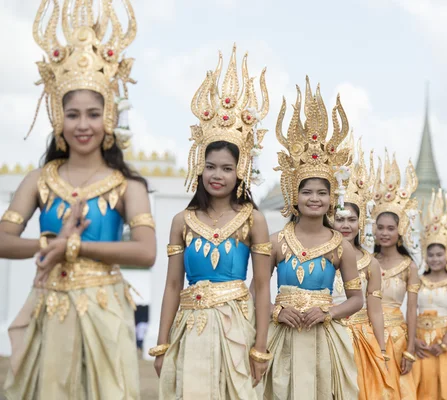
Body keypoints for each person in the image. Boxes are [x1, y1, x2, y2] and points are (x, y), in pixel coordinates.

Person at [2, 1, 156, 398]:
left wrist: (72, 245)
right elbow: (3, 240)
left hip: (104, 311)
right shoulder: (39, 179)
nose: (82, 125)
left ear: (108, 118)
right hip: (49, 308)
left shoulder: (127, 184)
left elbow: (146, 252)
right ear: (59, 118)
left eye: (92, 114)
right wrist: (46, 245)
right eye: (73, 114)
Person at [150, 47, 272, 400]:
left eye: (227, 168)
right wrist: (162, 343)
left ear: (241, 172)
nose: (217, 175)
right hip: (189, 327)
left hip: (236, 326)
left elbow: (262, 287)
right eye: (211, 167)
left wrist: (260, 347)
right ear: (199, 167)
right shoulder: (182, 221)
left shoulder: (254, 220)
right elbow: (172, 286)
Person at [260, 78, 362, 399]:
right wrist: (277, 312)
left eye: (322, 192)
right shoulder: (275, 242)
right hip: (282, 336)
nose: (314, 198)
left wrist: (329, 312)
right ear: (294, 195)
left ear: (333, 198)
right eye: (307, 191)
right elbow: (257, 290)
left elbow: (356, 299)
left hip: (324, 339)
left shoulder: (341, 246)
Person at [332, 139, 397, 399]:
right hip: (327, 331)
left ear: (361, 223)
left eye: (351, 220)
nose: (345, 225)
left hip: (359, 338)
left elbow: (375, 310)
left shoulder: (370, 262)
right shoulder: (319, 256)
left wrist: (381, 349)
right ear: (330, 219)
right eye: (339, 219)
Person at [372, 151, 420, 399]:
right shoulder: (367, 262)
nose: (385, 233)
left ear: (400, 231)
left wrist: (410, 348)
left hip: (398, 338)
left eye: (391, 228)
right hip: (368, 336)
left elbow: (411, 310)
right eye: (380, 228)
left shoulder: (408, 266)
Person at [412, 189, 447, 400]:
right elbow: (411, 309)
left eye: (439, 254)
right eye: (431, 254)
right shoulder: (418, 280)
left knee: (445, 388)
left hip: (445, 340)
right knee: (420, 387)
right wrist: (413, 339)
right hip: (420, 341)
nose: (435, 259)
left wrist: (444, 343)